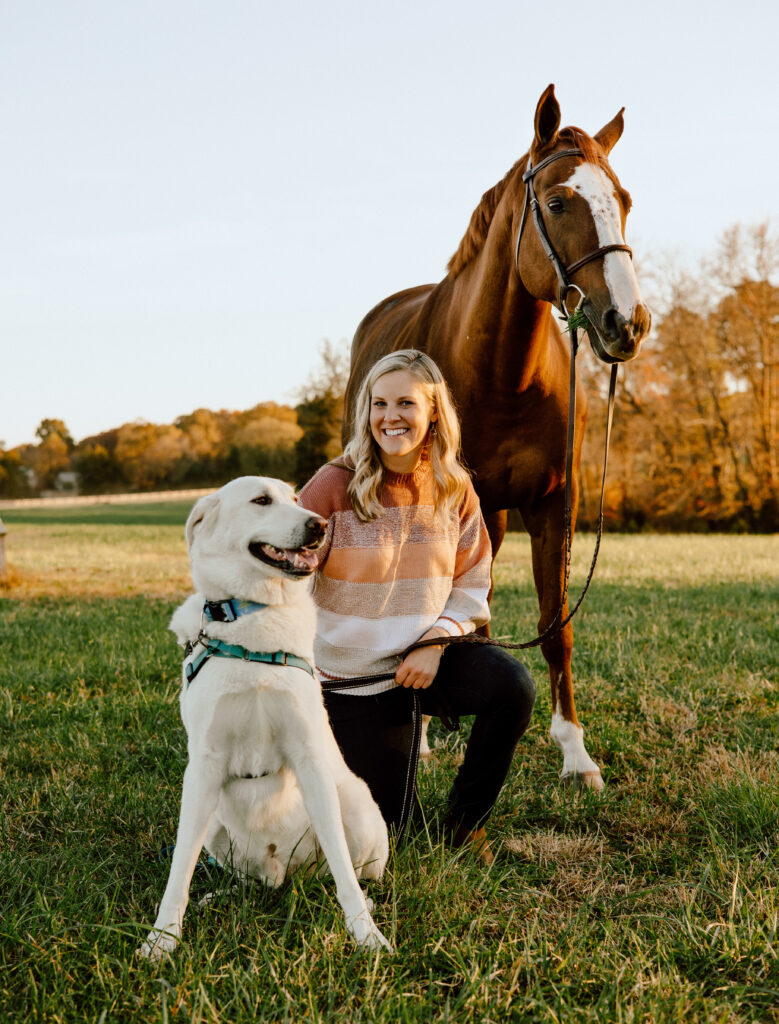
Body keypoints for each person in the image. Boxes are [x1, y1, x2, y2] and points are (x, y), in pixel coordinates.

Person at [299, 349, 535, 863]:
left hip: (430, 661)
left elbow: (472, 579)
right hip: (351, 679)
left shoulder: (454, 486)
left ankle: (463, 822)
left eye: (406, 402)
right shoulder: (333, 486)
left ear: (433, 412)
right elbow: (288, 574)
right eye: (378, 403)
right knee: (389, 831)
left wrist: (435, 641)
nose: (390, 416)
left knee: (511, 685)